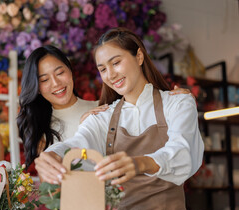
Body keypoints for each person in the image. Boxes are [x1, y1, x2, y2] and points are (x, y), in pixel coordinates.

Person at [34, 28, 204, 210]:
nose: (111, 74)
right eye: (103, 69)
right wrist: (53, 154)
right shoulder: (103, 116)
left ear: (139, 56)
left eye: (116, 63)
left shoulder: (177, 103)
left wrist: (139, 164)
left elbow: (183, 151)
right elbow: (79, 142)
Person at [17, 45, 191, 169]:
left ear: (70, 71)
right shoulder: (40, 129)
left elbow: (144, 135)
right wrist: (83, 127)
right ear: (37, 88)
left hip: (118, 206)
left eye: (60, 72)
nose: (56, 83)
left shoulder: (104, 109)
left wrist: (171, 101)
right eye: (44, 80)